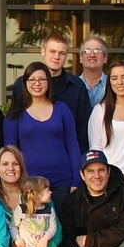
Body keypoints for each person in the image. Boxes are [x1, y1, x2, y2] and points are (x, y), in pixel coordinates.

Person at [5, 60, 81, 194]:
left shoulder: (62, 109)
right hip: (29, 184)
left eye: (42, 79)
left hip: (62, 182)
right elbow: (11, 153)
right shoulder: (15, 114)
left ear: (49, 82)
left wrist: (76, 181)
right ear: (25, 83)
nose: (37, 84)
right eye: (32, 79)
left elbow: (73, 147)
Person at [10, 32, 91, 150]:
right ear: (43, 51)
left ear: (67, 55)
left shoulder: (77, 86)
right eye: (52, 51)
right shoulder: (22, 84)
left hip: (65, 159)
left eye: (62, 53)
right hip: (27, 157)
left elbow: (83, 130)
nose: (56, 57)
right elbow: (14, 125)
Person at [78, 36, 109, 108]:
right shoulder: (72, 86)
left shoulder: (113, 85)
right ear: (80, 58)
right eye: (87, 51)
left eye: (97, 51)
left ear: (105, 58)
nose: (92, 55)